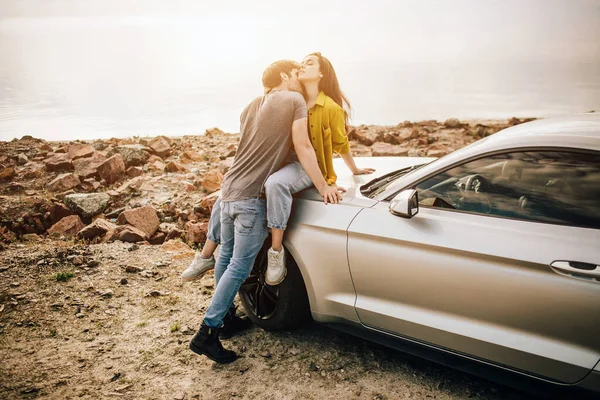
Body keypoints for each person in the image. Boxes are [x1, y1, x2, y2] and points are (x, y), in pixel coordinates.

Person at [189, 60, 342, 363]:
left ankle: (227, 319)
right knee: (239, 268)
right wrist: (323, 185)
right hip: (250, 199)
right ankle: (207, 332)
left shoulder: (249, 106)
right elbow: (303, 146)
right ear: (285, 76)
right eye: (296, 73)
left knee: (227, 256)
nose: (299, 78)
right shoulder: (294, 99)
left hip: (229, 192)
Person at [181, 52, 373, 286]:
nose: (302, 66)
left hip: (307, 168)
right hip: (281, 165)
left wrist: (351, 170)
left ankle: (276, 251)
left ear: (322, 73)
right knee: (228, 191)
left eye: (309, 63)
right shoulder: (293, 96)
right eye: (301, 64)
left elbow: (340, 143)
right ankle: (205, 255)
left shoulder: (328, 107)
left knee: (274, 184)